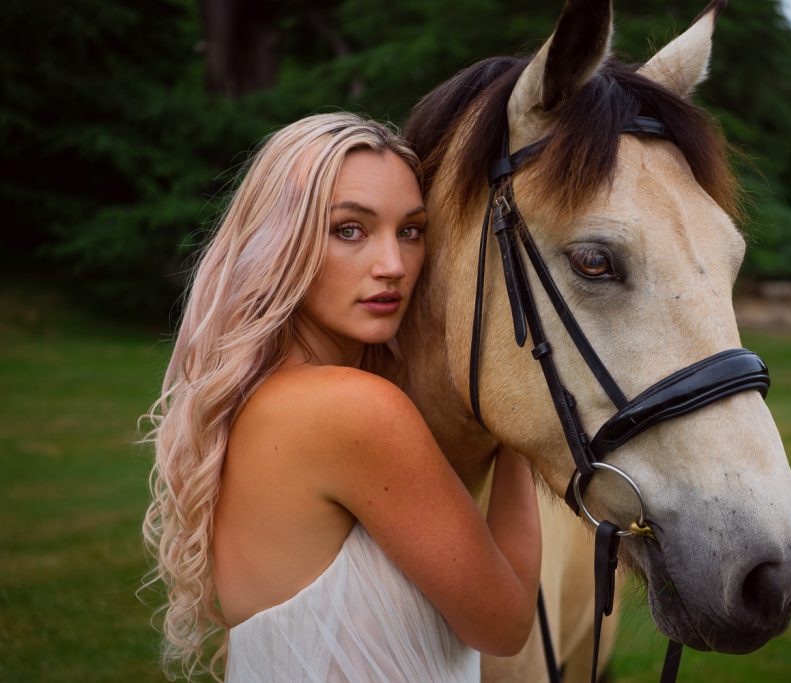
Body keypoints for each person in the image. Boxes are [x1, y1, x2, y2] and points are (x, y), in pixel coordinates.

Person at [141, 112, 541, 682]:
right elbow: (504, 625)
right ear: (281, 241)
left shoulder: (263, 399)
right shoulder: (353, 408)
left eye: (411, 230)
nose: (393, 266)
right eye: (349, 230)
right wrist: (517, 420)